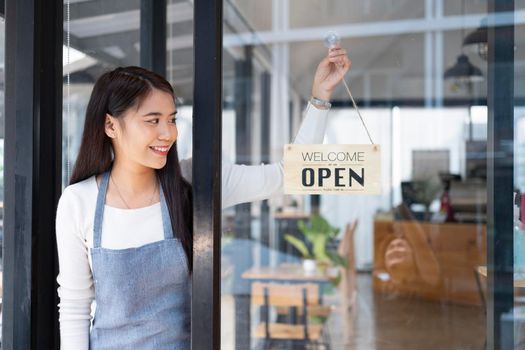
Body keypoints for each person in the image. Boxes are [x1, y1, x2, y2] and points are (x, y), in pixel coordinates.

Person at [55, 46, 351, 349]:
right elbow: (75, 308)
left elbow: (287, 175)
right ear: (110, 125)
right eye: (152, 120)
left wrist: (319, 97)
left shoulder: (193, 181)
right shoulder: (78, 202)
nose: (168, 133)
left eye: (171, 119)